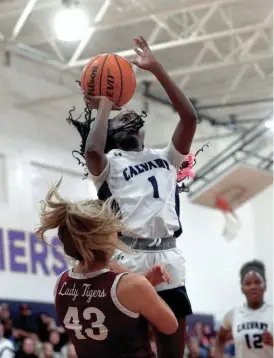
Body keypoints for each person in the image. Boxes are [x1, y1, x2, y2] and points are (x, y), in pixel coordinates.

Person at [67, 35, 198, 358]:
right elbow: (94, 149)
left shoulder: (168, 157)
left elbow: (190, 118)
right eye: (117, 121)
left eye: (131, 119)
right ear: (110, 134)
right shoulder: (108, 164)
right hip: (127, 260)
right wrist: (106, 104)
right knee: (133, 350)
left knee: (172, 351)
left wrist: (157, 69)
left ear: (142, 131)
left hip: (168, 258)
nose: (126, 121)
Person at [34, 179, 178, 358]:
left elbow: (115, 306)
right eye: (112, 229)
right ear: (100, 240)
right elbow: (170, 326)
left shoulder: (61, 283)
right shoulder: (130, 284)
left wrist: (145, 283)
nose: (117, 233)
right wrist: (149, 288)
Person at [216, 260, 273, 358]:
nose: (253, 287)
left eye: (257, 282)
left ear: (265, 285)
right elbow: (220, 338)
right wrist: (219, 355)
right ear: (242, 288)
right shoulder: (233, 315)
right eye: (248, 283)